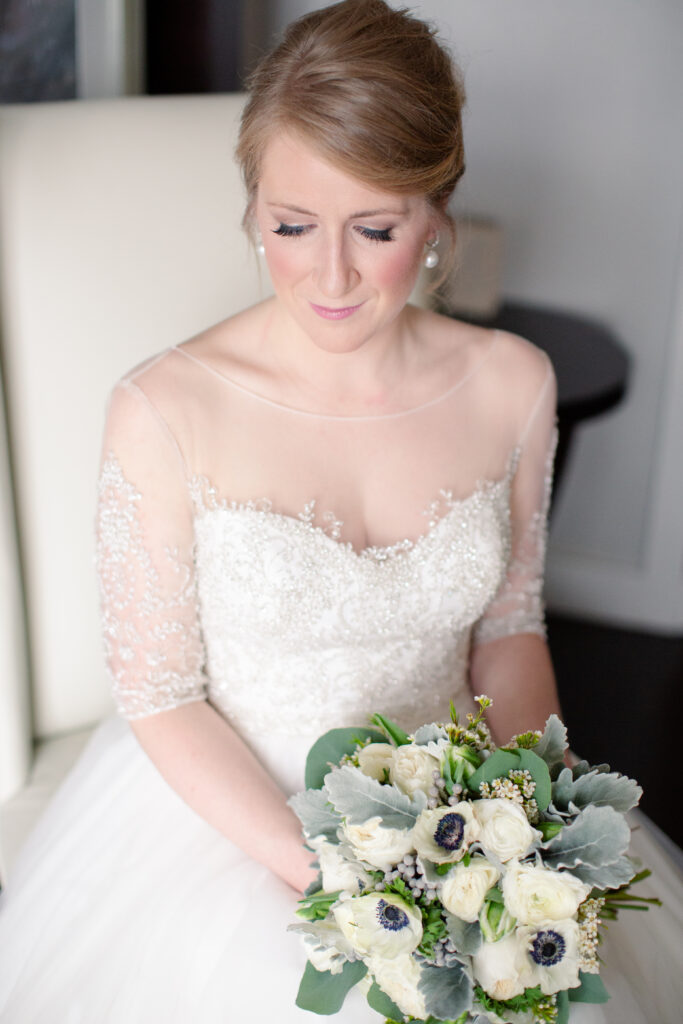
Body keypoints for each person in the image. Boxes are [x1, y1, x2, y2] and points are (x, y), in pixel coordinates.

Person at [0, 2, 679, 1021]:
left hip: (458, 814)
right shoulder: (163, 407)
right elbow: (160, 694)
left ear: (436, 212)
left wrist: (512, 815)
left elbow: (506, 629)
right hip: (231, 818)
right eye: (290, 225)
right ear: (251, 206)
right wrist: (347, 885)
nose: (329, 275)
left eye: (375, 228)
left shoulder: (512, 385)